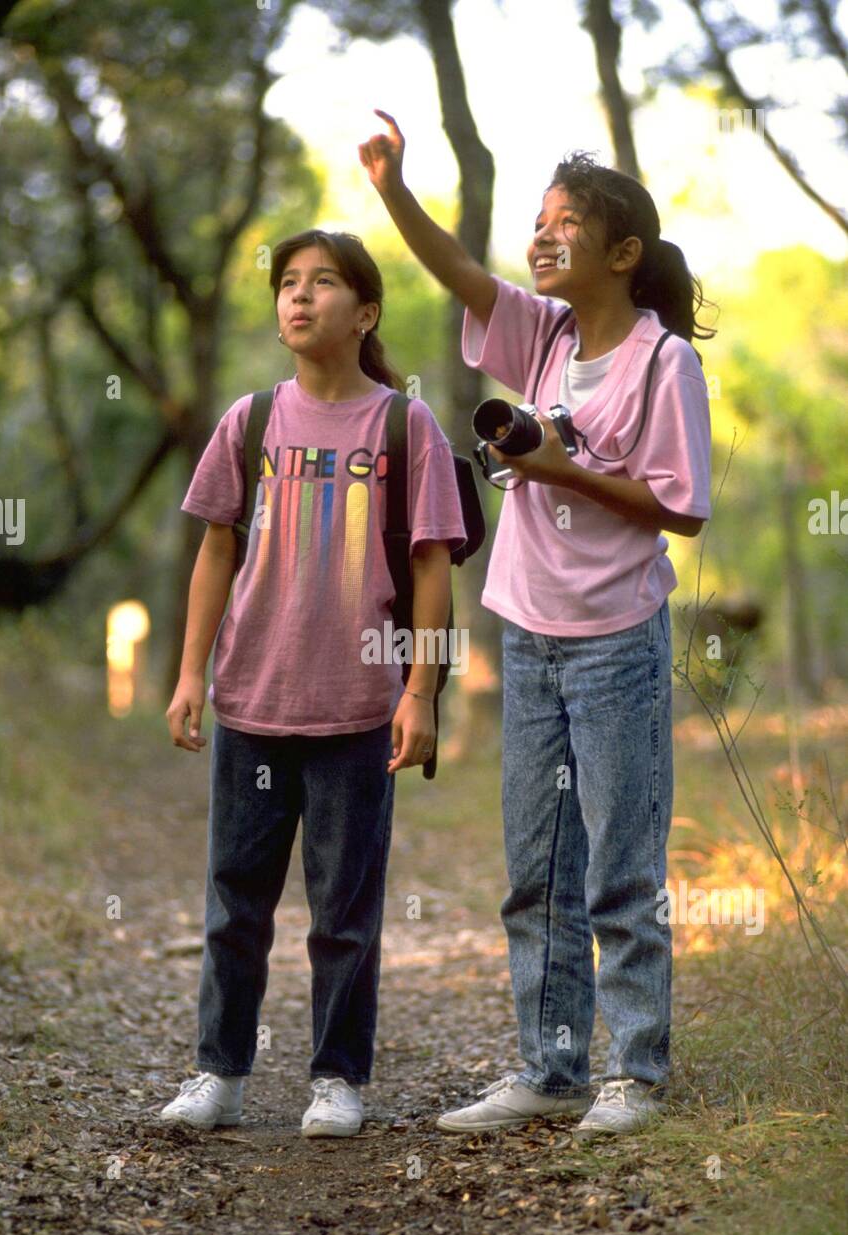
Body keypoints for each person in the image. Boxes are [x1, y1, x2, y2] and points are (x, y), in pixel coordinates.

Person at [359, 112, 714, 1138]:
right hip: (527, 629)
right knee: (538, 865)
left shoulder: (660, 364)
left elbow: (682, 506)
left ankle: (636, 1073)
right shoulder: (544, 333)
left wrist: (561, 467)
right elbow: (462, 274)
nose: (543, 236)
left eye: (567, 225)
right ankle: (551, 1070)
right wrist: (391, 191)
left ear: (623, 253)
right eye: (539, 221)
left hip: (615, 637)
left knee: (620, 863)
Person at [161, 229, 466, 1138]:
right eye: (287, 284)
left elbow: (432, 569)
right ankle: (220, 1073)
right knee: (233, 904)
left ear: (364, 312)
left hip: (357, 709)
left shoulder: (405, 427)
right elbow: (215, 548)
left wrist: (422, 691)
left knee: (344, 913)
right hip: (252, 698)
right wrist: (188, 673)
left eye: (322, 283)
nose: (298, 298)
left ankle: (338, 1078)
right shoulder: (250, 421)